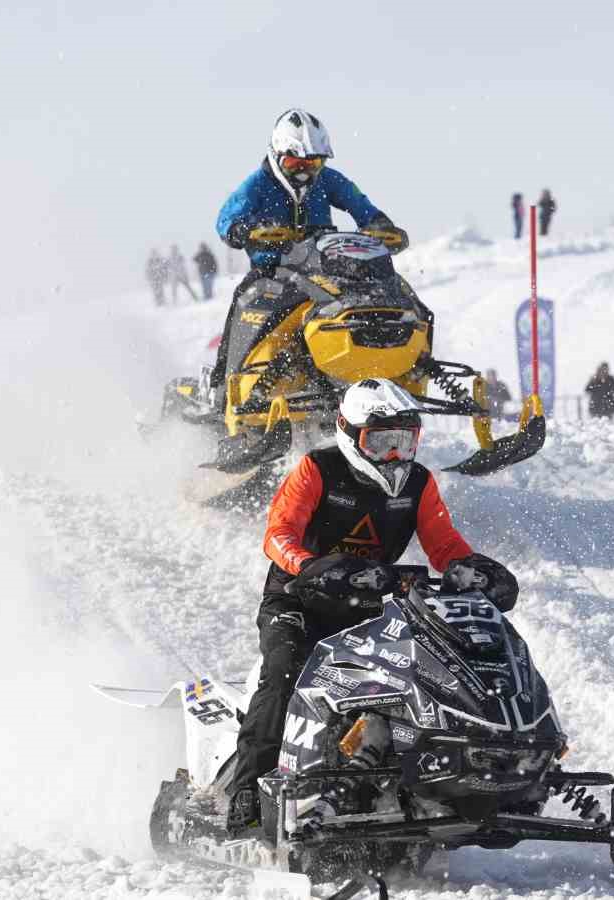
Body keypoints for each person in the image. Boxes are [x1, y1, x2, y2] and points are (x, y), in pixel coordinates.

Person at [224, 379, 518, 833]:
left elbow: (444, 544)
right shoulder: (317, 468)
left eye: (405, 442)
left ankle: (442, 779)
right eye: (381, 442)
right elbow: (278, 535)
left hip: (369, 600)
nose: (395, 455)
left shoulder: (418, 483)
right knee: (285, 667)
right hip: (299, 596)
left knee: (422, 669)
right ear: (349, 432)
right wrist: (312, 566)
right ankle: (246, 789)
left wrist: (472, 569)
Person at [211, 109, 407, 391]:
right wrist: (244, 229)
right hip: (274, 269)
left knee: (393, 291)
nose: (304, 172)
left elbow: (360, 204)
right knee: (244, 297)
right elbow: (226, 218)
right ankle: (223, 379)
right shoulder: (257, 184)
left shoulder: (329, 179)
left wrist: (379, 225)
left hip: (323, 266)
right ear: (277, 155)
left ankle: (404, 364)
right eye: (294, 163)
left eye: (313, 163)